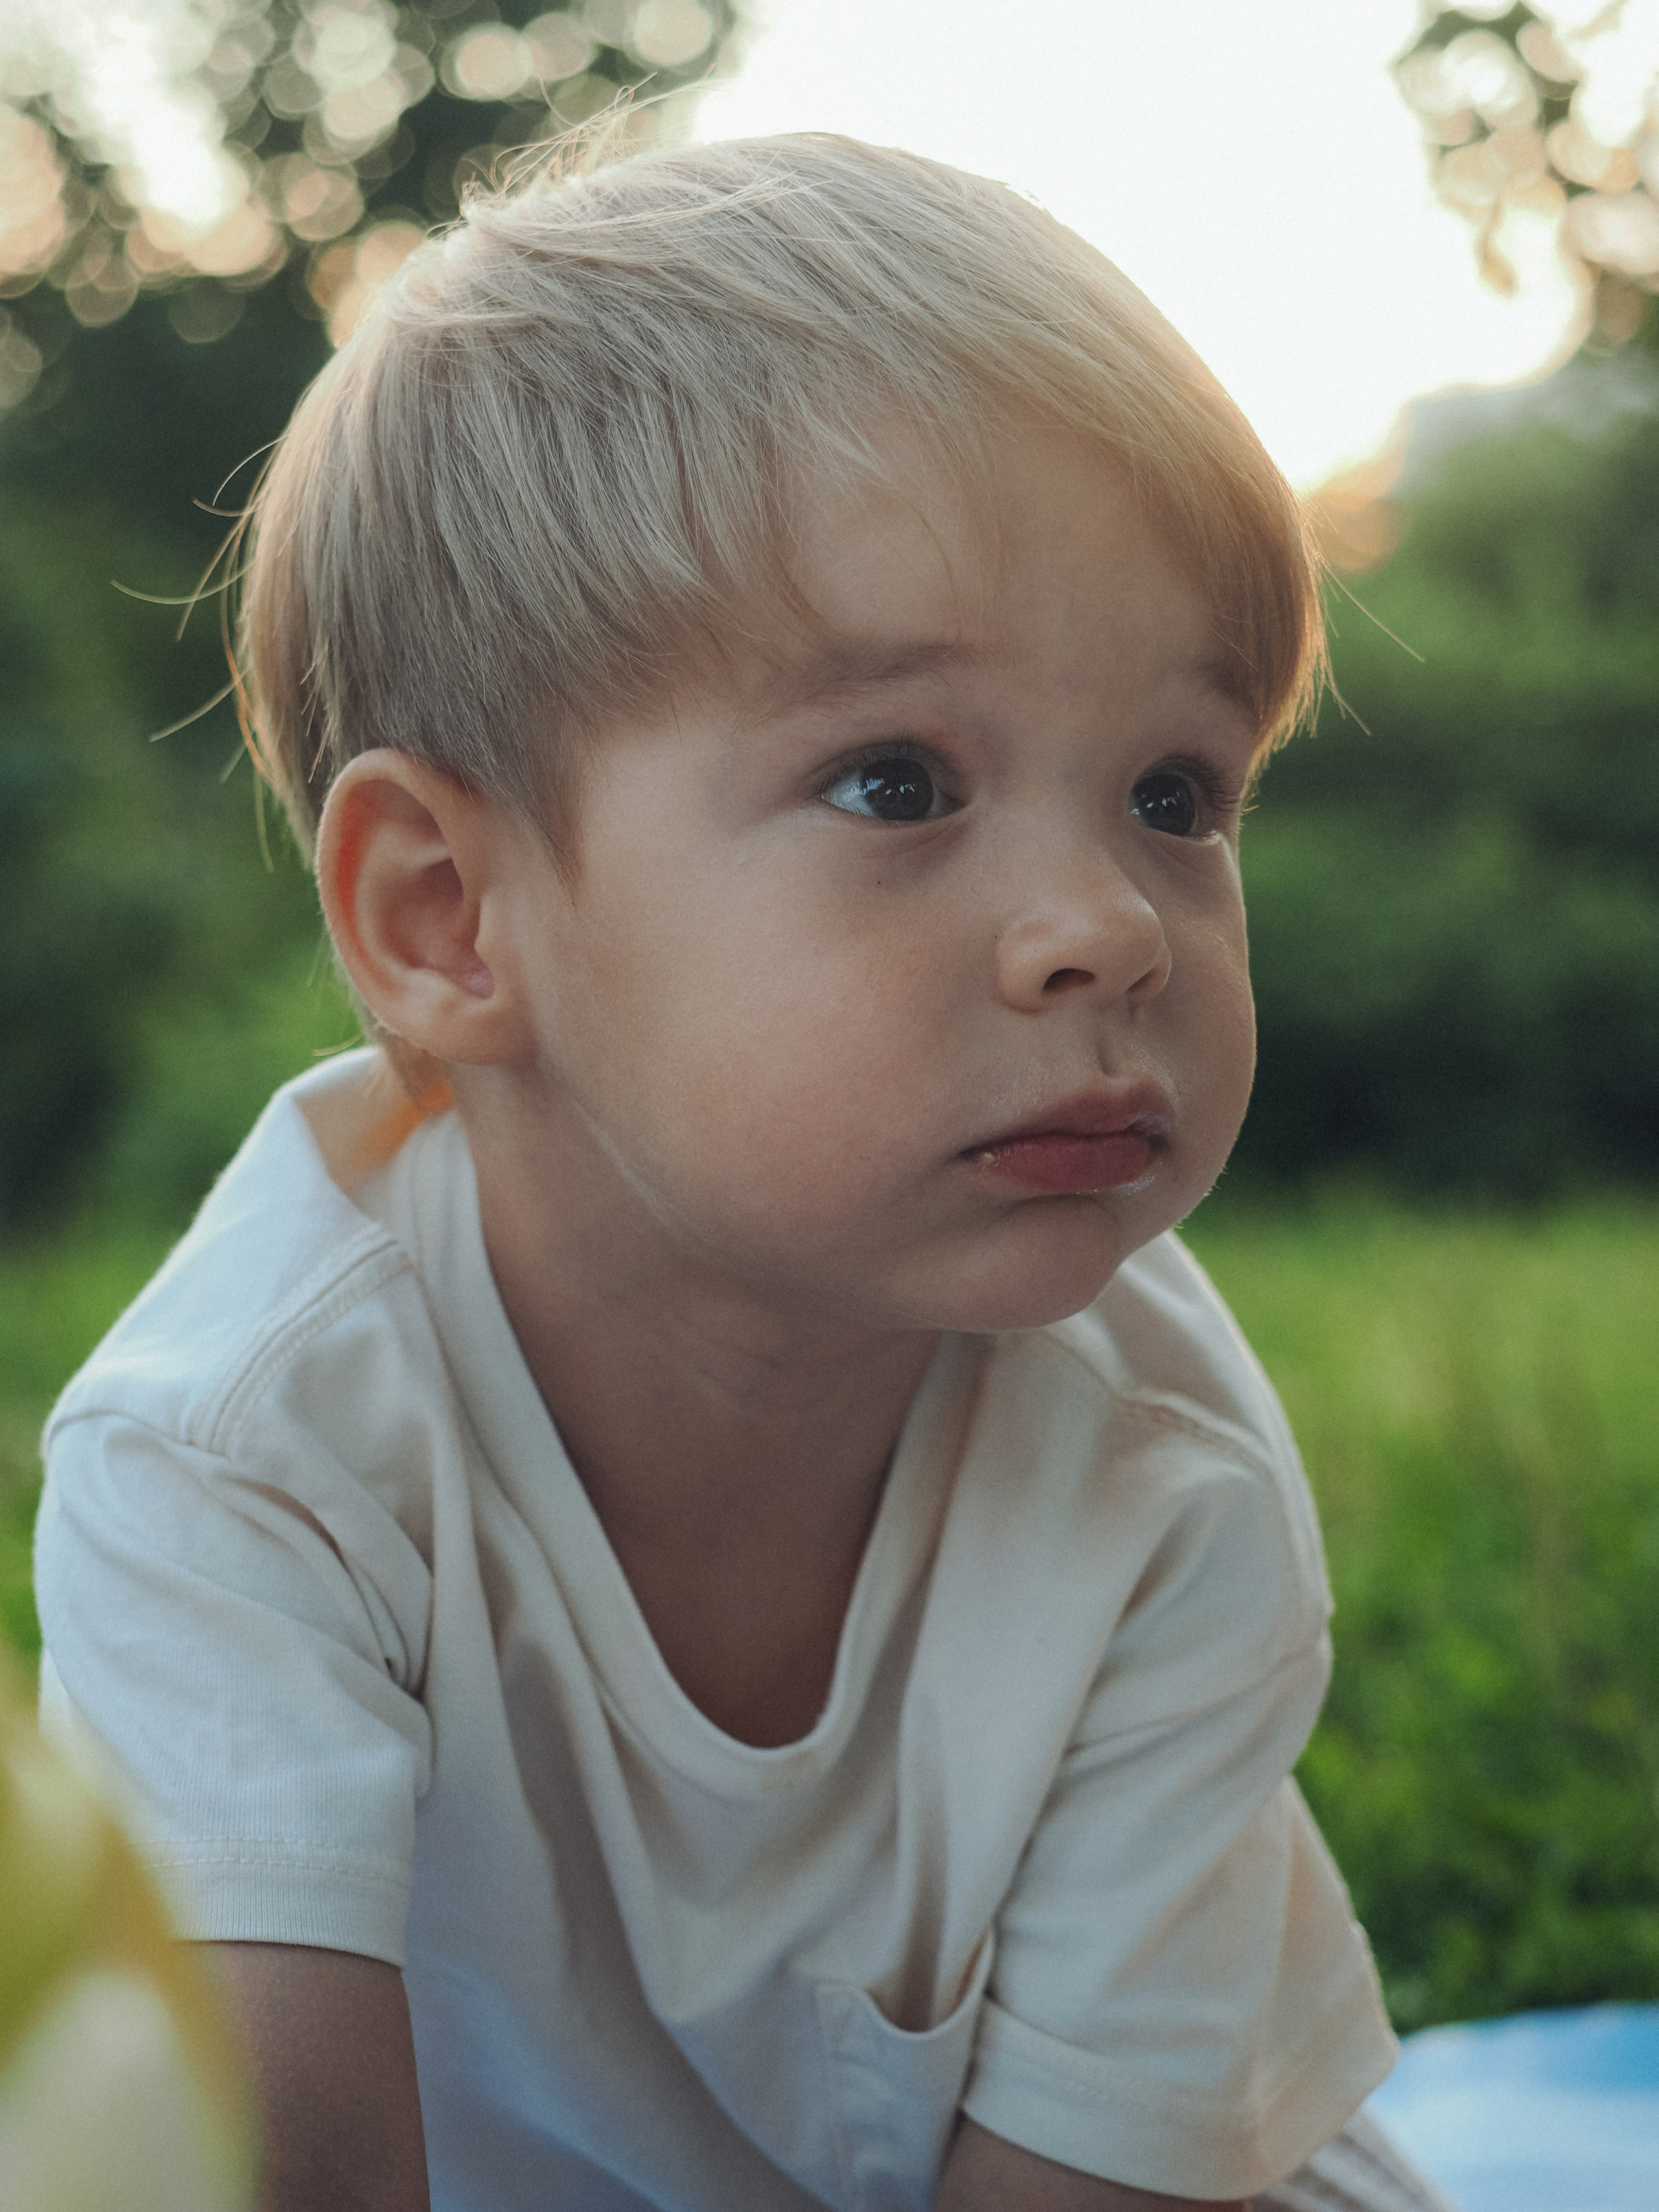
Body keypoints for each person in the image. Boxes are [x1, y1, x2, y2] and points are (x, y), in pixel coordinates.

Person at [34, 131, 1450, 2212]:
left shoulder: (1159, 1480)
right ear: (449, 917)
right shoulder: (241, 1464)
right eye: (898, 781)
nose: (1111, 925)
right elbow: (272, 2170)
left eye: (1176, 790)